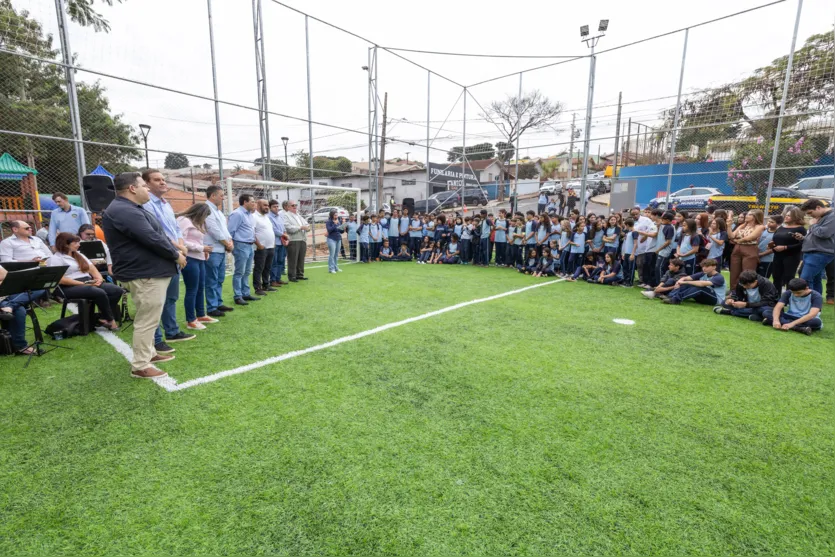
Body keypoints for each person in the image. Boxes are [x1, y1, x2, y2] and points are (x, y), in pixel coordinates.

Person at [102, 172, 186, 379]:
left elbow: (157, 234)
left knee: (150, 316)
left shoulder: (130, 208)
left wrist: (175, 249)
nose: (147, 189)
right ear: (132, 188)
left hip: (149, 271)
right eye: (143, 186)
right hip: (144, 273)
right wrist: (176, 255)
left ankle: (149, 353)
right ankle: (140, 364)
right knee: (146, 319)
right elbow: (150, 238)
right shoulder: (123, 209)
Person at [142, 169, 195, 350]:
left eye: (164, 179)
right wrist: (179, 248)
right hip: (161, 256)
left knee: (171, 297)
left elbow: (175, 228)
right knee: (157, 301)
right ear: (146, 184)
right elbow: (157, 233)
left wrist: (181, 245)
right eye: (157, 180)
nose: (163, 182)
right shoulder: (146, 204)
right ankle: (156, 340)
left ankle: (172, 332)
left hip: (175, 254)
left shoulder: (166, 204)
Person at [176, 203, 217, 330]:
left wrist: (203, 250)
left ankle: (200, 314)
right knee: (192, 289)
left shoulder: (197, 223)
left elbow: (198, 240)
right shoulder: (183, 220)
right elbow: (180, 240)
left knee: (200, 287)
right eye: (204, 216)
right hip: (189, 258)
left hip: (199, 258)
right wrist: (201, 248)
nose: (204, 219)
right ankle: (191, 320)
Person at [0, 266, 48, 355]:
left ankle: (11, 305)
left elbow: (6, 276)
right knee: (19, 310)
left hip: (5, 292)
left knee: (40, 288)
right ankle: (20, 347)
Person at [203, 184, 234, 318]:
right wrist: (227, 243)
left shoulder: (218, 211)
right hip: (213, 249)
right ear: (213, 195)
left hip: (221, 249)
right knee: (212, 279)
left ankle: (218, 303)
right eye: (221, 195)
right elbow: (213, 229)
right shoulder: (206, 209)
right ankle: (211, 307)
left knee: (219, 278)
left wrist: (229, 241)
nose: (223, 198)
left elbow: (224, 230)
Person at [227, 193, 259, 305]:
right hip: (241, 245)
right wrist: (231, 245)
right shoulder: (237, 214)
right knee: (239, 272)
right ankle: (238, 296)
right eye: (252, 201)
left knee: (247, 271)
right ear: (245, 202)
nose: (254, 204)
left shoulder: (249, 215)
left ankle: (246, 293)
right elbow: (230, 231)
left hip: (250, 245)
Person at [798, 199, 835, 296]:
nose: (810, 216)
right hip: (811, 252)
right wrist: (804, 238)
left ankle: (808, 304)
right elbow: (815, 235)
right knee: (815, 279)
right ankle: (816, 305)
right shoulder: (820, 217)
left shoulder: (832, 216)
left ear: (818, 207)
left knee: (805, 279)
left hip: (820, 253)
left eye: (810, 212)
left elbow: (824, 233)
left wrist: (813, 225)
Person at [770, 207, 805, 293]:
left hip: (791, 256)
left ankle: (788, 298)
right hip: (777, 255)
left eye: (789, 216)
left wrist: (786, 247)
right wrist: (772, 245)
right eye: (786, 215)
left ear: (796, 217)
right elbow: (775, 239)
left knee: (789, 277)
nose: (786, 217)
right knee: (776, 276)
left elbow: (801, 244)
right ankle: (776, 298)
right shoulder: (781, 228)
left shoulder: (800, 229)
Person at [729, 209, 765, 290]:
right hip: (737, 248)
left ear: (755, 217)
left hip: (750, 248)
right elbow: (731, 236)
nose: (747, 216)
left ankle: (747, 291)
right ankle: (734, 291)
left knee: (748, 272)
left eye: (749, 215)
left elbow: (752, 237)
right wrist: (728, 226)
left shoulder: (759, 226)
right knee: (734, 272)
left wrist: (738, 240)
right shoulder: (742, 225)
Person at [282, 198, 311, 281]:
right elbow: (288, 227)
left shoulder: (298, 215)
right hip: (293, 240)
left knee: (301, 258)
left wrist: (307, 228)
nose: (295, 206)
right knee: (293, 259)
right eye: (292, 205)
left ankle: (300, 274)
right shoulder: (285, 215)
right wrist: (300, 227)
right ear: (287, 207)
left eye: (295, 205)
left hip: (302, 239)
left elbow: (307, 224)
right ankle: (292, 276)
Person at [252, 199, 276, 295]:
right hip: (260, 248)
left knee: (267, 267)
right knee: (259, 268)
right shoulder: (254, 217)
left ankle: (266, 284)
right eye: (265, 205)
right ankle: (258, 288)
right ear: (258, 205)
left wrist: (273, 243)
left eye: (267, 205)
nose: (267, 207)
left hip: (270, 247)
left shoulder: (266, 217)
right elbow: (252, 233)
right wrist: (259, 245)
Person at [268, 200, 289, 286]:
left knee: (281, 261)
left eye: (277, 206)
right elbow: (274, 230)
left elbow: (283, 228)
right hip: (274, 243)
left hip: (281, 242)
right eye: (274, 206)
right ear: (270, 208)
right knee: (274, 262)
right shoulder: (269, 217)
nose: (276, 208)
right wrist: (284, 235)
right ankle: (273, 281)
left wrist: (285, 234)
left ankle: (278, 278)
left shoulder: (279, 216)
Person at [620, 218, 637, 287]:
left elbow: (635, 244)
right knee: (625, 267)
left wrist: (633, 254)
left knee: (631, 268)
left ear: (627, 225)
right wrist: (624, 253)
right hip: (626, 252)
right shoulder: (628, 233)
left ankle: (630, 282)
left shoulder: (634, 232)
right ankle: (626, 281)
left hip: (631, 253)